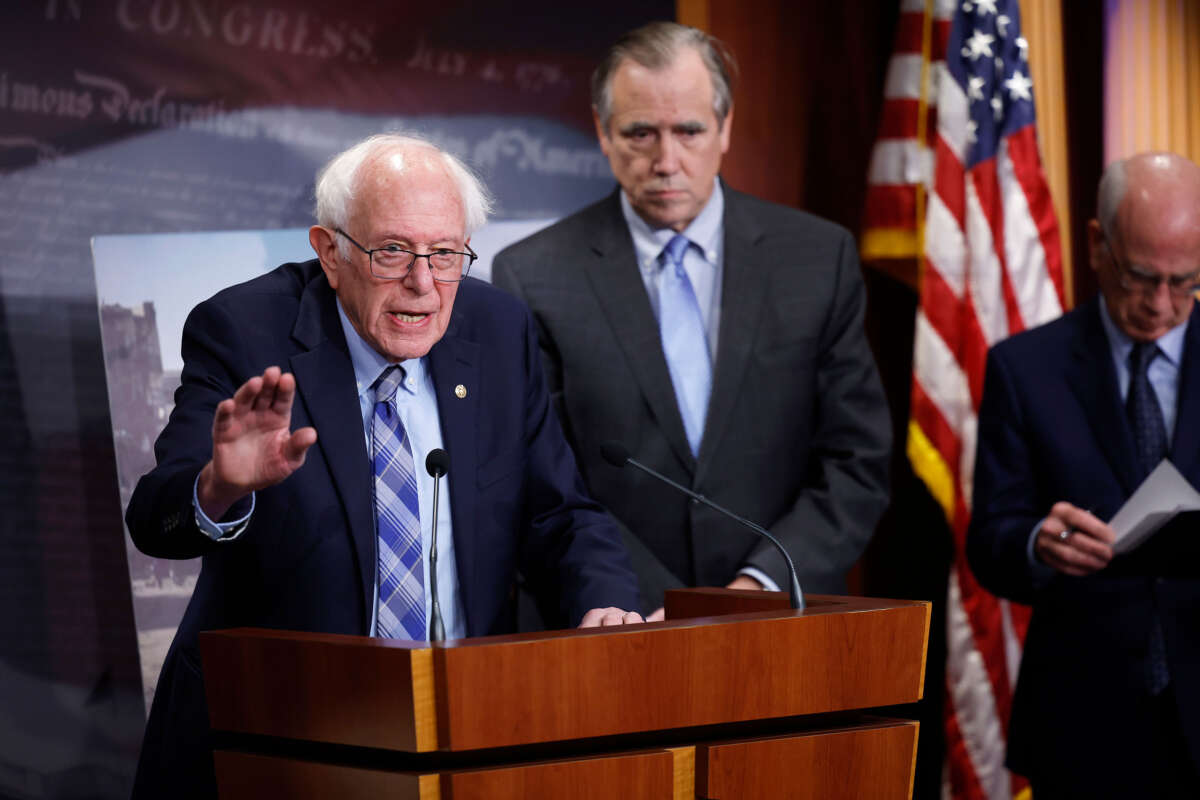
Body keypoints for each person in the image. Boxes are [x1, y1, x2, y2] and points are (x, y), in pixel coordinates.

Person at [125, 133, 643, 798]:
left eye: (446, 254)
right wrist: (219, 486)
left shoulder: (498, 332)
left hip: (465, 736)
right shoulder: (244, 331)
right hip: (280, 737)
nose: (423, 284)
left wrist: (605, 604)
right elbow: (154, 517)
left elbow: (559, 512)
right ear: (330, 251)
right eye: (393, 251)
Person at [492, 22, 891, 614]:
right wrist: (657, 603)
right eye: (640, 134)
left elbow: (857, 461)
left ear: (725, 128)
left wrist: (756, 587)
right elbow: (546, 479)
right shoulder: (533, 274)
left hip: (784, 627)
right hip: (619, 622)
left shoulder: (817, 258)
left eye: (689, 131)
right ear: (603, 133)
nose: (666, 160)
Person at [968, 152, 1200, 797]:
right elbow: (990, 540)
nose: (1161, 306)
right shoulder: (1026, 369)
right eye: (1140, 277)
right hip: (1085, 721)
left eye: (1186, 283)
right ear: (1099, 244)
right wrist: (1036, 541)